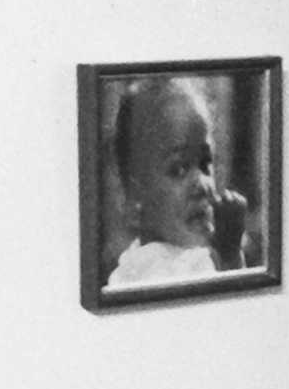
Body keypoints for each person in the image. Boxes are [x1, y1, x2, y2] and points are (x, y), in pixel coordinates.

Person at [105, 76, 251, 288]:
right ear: (136, 198)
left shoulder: (185, 257)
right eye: (179, 169)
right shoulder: (155, 273)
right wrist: (230, 257)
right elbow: (231, 313)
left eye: (205, 163)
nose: (202, 184)